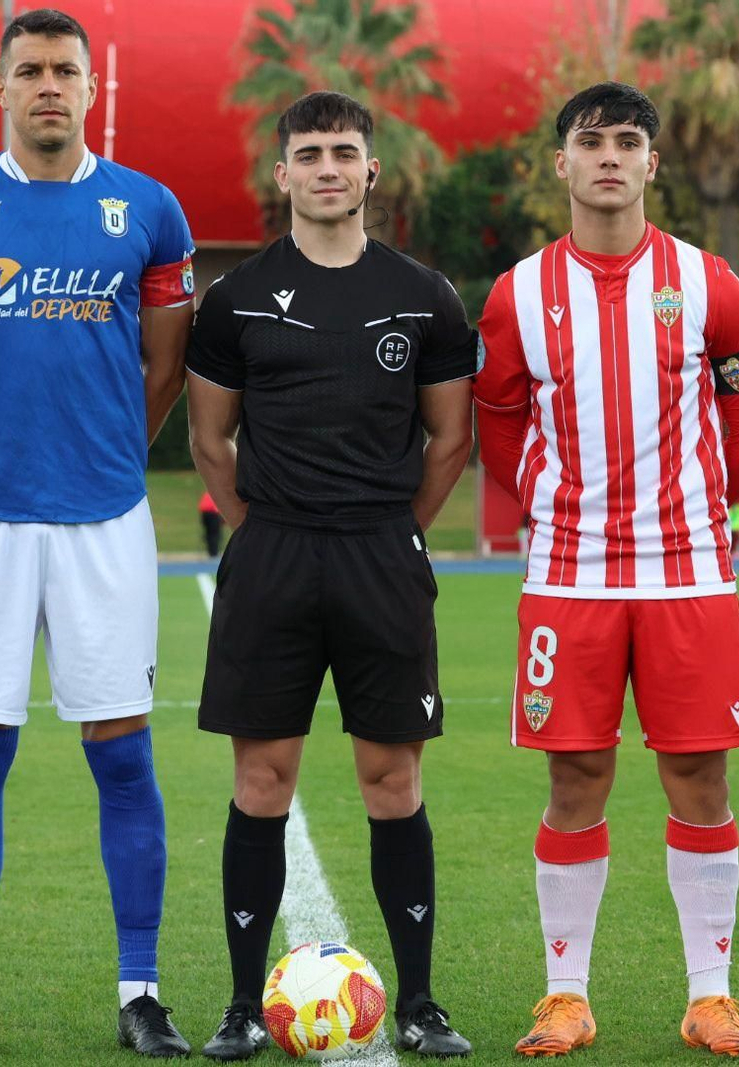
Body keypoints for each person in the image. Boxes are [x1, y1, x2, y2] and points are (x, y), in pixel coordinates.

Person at [0, 8, 195, 1060]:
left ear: (92, 86)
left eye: (67, 69)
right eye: (31, 70)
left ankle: (141, 989)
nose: (50, 85)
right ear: (2, 87)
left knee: (124, 755)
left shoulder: (148, 208)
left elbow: (165, 365)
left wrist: (101, 450)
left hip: (106, 519)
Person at [474, 82, 739, 1059]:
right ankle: (565, 996)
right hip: (569, 576)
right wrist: (551, 499)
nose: (609, 155)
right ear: (561, 163)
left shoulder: (710, 282)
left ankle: (710, 996)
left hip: (689, 573)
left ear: (653, 162)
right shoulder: (518, 293)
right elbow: (498, 420)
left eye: (628, 141)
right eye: (591, 140)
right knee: (575, 776)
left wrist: (696, 501)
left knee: (699, 774)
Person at [187, 90, 476, 1061]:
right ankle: (241, 1004)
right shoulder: (234, 299)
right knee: (261, 778)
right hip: (272, 554)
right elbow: (210, 439)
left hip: (379, 555)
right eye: (308, 154)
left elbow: (449, 439)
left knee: (392, 778)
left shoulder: (423, 295)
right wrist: (264, 530)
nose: (326, 168)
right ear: (282, 174)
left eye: (343, 153)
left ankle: (421, 1002)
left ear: (369, 171)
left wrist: (392, 532)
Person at [198, 490, 223, 557]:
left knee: (209, 532)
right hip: (213, 513)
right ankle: (214, 552)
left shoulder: (208, 493)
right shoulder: (218, 493)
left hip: (204, 513)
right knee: (214, 533)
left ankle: (210, 551)